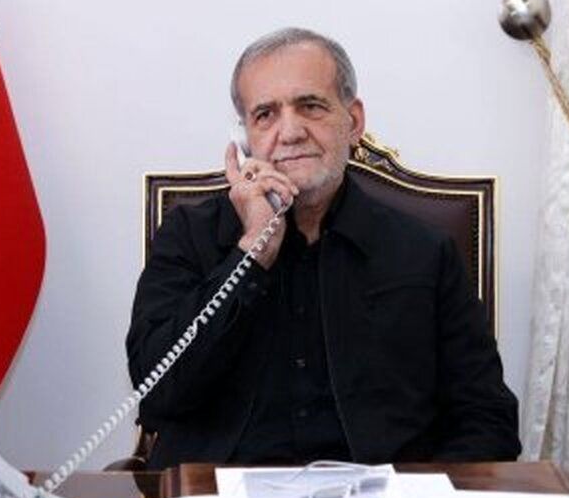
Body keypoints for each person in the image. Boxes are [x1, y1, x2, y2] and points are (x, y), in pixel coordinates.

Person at [126, 27, 520, 468]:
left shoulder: (425, 252)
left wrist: (422, 496)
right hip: (223, 492)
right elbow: (157, 395)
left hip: (382, 495)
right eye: (265, 114)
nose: (290, 132)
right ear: (246, 139)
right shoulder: (189, 235)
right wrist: (250, 254)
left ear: (354, 122)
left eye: (310, 106)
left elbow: (487, 417)